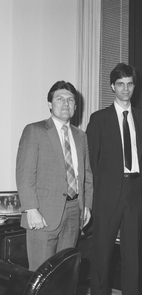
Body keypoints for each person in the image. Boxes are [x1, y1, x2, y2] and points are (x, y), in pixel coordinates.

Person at [86, 63, 142, 295]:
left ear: (135, 86)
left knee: (133, 254)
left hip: (134, 192)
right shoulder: (99, 119)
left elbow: (140, 158)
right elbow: (90, 163)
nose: (125, 89)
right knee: (102, 254)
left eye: (130, 84)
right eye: (120, 84)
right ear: (113, 86)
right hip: (107, 194)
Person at [16, 81, 93, 271]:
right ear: (50, 104)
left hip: (74, 212)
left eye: (70, 100)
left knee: (64, 274)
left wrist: (87, 206)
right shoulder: (35, 130)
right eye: (60, 99)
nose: (65, 104)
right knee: (41, 275)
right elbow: (24, 173)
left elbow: (87, 175)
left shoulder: (81, 136)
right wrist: (31, 209)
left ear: (75, 106)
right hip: (43, 214)